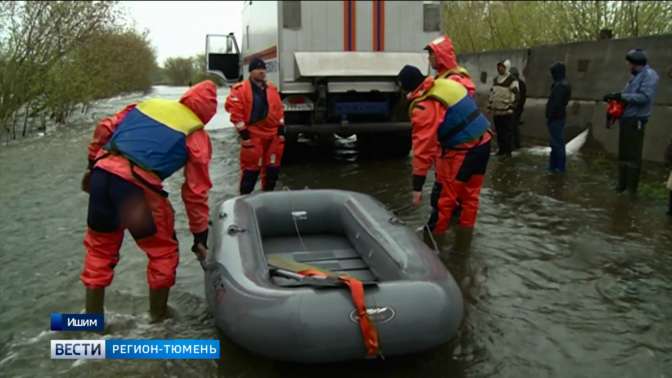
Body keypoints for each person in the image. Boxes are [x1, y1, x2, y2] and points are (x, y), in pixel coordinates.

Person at [80, 81, 217, 322]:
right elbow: (196, 192)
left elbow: (103, 128)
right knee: (162, 251)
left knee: (99, 249)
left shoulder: (146, 105)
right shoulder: (196, 134)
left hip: (102, 176)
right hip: (135, 188)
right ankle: (157, 320)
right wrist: (200, 235)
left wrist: (92, 165)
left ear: (186, 97)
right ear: (208, 114)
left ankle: (92, 323)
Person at [398, 65, 491, 252]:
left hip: (464, 151)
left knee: (443, 200)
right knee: (470, 198)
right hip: (484, 142)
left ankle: (430, 245)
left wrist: (417, 187)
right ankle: (464, 245)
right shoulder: (446, 83)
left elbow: (423, 149)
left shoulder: (424, 106)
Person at [225, 58, 285, 194]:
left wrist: (281, 130)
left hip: (273, 135)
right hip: (253, 135)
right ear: (251, 71)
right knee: (250, 172)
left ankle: (268, 198)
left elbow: (279, 109)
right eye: (258, 69)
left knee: (272, 170)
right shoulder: (240, 90)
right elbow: (235, 113)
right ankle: (243, 201)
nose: (262, 72)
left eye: (263, 69)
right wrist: (244, 135)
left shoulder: (272, 89)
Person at [603, 49, 659, 194]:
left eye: (630, 64)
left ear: (636, 63)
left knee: (633, 156)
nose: (629, 67)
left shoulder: (649, 76)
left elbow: (644, 97)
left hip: (636, 120)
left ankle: (631, 189)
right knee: (624, 154)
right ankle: (621, 186)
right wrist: (614, 99)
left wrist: (621, 96)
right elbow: (627, 96)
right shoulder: (636, 76)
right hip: (627, 119)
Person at [488, 59, 519, 158]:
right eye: (499, 66)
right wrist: (490, 104)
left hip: (507, 111)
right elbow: (492, 93)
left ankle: (508, 152)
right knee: (499, 132)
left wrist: (513, 106)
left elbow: (516, 94)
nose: (500, 68)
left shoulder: (512, 79)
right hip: (497, 111)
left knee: (507, 133)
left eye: (502, 66)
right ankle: (501, 150)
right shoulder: (495, 79)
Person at [546, 62, 571, 173]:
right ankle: (554, 166)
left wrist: (550, 116)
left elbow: (556, 104)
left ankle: (558, 167)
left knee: (557, 144)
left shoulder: (561, 86)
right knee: (555, 143)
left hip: (556, 118)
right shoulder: (560, 84)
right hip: (556, 117)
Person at [510, 67, 526, 150]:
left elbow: (520, 98)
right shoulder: (521, 83)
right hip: (517, 108)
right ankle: (516, 144)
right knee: (514, 126)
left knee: (512, 127)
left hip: (515, 108)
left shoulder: (517, 84)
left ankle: (514, 145)